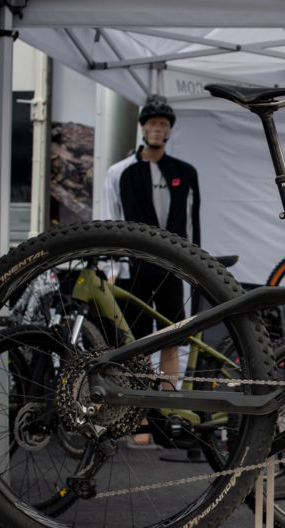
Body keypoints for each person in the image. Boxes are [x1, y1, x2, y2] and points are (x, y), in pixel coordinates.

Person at [98, 95, 201, 441]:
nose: (157, 130)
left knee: (172, 338)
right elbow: (110, 220)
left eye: (163, 125)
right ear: (143, 128)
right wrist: (111, 266)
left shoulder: (184, 173)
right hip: (133, 268)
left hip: (171, 267)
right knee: (137, 344)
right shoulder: (120, 173)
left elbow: (190, 223)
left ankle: (168, 413)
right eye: (152, 124)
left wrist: (193, 265)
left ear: (169, 131)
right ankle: (139, 418)